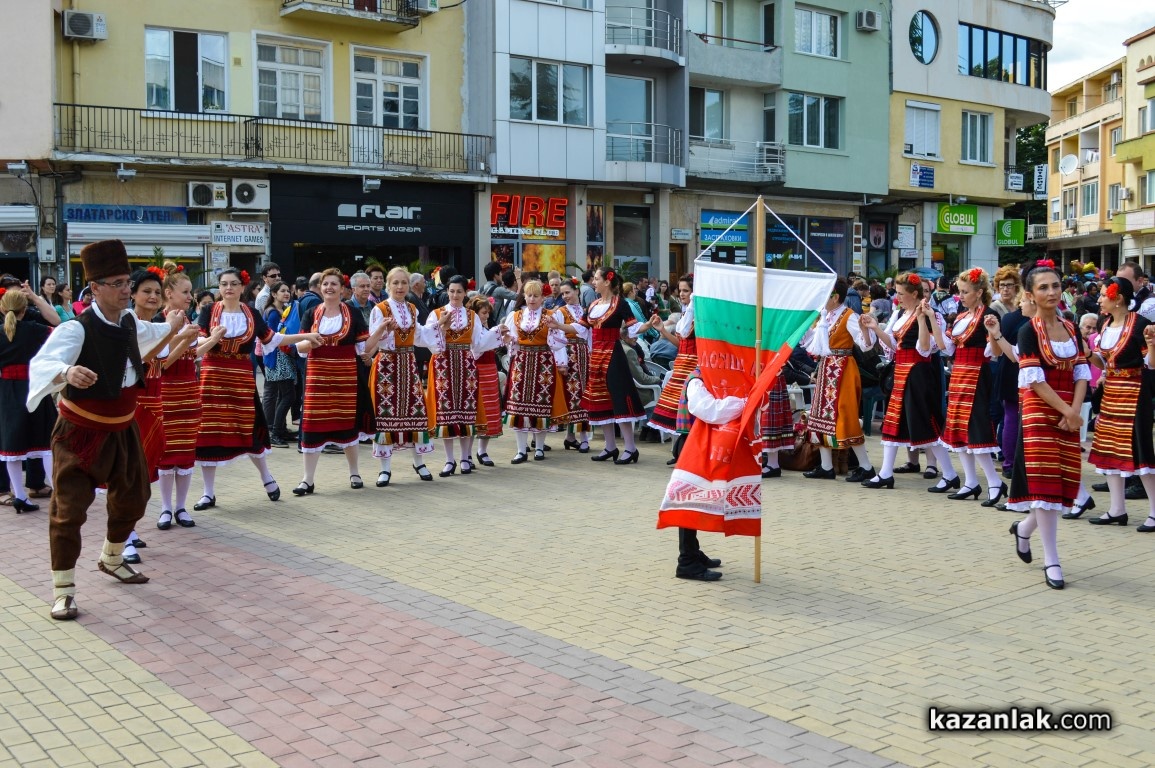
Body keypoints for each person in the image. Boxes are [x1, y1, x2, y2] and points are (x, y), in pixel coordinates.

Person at [27, 239, 186, 620]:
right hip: (78, 434)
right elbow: (42, 363)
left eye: (125, 282)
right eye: (116, 283)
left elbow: (148, 335)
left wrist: (172, 327)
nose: (125, 289)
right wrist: (67, 372)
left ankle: (112, 558)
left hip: (122, 430)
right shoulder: (76, 329)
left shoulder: (128, 321)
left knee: (134, 497)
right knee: (68, 511)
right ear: (95, 288)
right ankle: (63, 591)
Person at [193, 268, 320, 512]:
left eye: (233, 284)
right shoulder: (209, 310)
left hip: (241, 379)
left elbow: (272, 339)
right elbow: (196, 341)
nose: (228, 288)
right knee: (209, 433)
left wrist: (305, 336)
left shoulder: (251, 313)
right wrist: (212, 338)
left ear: (242, 287)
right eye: (224, 284)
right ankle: (208, 493)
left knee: (249, 429)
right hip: (213, 378)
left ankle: (266, 477)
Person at [1006, 261, 1090, 590]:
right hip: (1039, 411)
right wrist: (1067, 411)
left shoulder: (1071, 327)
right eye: (1043, 287)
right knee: (1045, 482)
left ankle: (1025, 528)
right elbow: (1035, 381)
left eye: (1055, 285)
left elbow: (1081, 371)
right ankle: (1051, 559)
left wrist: (1074, 411)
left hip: (1068, 408)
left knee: (1062, 480)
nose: (1051, 292)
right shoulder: (1028, 331)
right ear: (1030, 295)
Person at [292, 268, 386, 495]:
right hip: (317, 377)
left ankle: (354, 473)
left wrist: (381, 330)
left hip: (345, 377)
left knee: (347, 424)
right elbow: (300, 348)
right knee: (313, 424)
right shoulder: (311, 313)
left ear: (342, 289)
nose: (329, 288)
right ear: (320, 288)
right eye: (325, 284)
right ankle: (307, 479)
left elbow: (363, 347)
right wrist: (311, 343)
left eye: (334, 284)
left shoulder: (352, 313)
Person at [858, 273, 944, 489]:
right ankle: (886, 472)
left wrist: (924, 319)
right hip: (902, 371)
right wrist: (875, 327)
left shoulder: (926, 314)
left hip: (918, 372)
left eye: (901, 294)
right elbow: (895, 346)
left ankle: (948, 472)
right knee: (893, 422)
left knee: (925, 423)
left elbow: (926, 348)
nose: (897, 298)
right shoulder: (901, 313)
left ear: (914, 294)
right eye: (896, 293)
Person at [155, 265, 224, 530]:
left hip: (189, 390)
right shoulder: (160, 322)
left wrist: (212, 339)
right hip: (167, 391)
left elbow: (191, 355)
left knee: (185, 451)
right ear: (169, 293)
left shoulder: (185, 320)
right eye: (185, 292)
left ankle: (181, 507)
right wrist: (183, 339)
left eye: (189, 292)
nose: (190, 297)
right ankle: (165, 508)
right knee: (167, 452)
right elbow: (162, 363)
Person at [1083, 278, 1155, 530]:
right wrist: (1087, 353)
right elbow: (1104, 363)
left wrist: (1152, 345)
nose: (1100, 299)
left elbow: (1151, 364)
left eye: (1104, 295)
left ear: (1119, 298)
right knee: (1109, 449)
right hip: (1111, 393)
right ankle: (1117, 509)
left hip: (1134, 393)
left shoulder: (1140, 324)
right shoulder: (1105, 324)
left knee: (1140, 449)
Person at [930, 268, 1004, 505]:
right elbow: (945, 347)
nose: (960, 296)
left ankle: (994, 481)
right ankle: (971, 481)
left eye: (965, 292)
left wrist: (993, 332)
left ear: (979, 292)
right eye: (959, 291)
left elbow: (995, 352)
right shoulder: (961, 316)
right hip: (959, 375)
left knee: (976, 428)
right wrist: (931, 319)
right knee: (957, 428)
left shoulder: (989, 314)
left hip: (977, 374)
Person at [369, 267, 444, 486]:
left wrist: (439, 326)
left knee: (415, 411)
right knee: (385, 414)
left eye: (404, 283)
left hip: (408, 365)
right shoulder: (380, 309)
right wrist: (386, 331)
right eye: (396, 283)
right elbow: (373, 339)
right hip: (387, 365)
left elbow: (419, 335)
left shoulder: (412, 308)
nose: (400, 287)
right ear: (388, 286)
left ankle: (419, 462)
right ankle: (385, 468)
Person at [425, 274, 503, 476]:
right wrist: (440, 327)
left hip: (466, 365)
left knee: (467, 410)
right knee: (446, 411)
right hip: (443, 364)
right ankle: (449, 460)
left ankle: (465, 458)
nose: (455, 295)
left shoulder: (472, 316)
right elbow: (428, 338)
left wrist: (498, 333)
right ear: (447, 291)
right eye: (451, 291)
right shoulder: (437, 314)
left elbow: (479, 342)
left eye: (459, 291)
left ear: (465, 293)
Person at [578, 266, 659, 463]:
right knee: (601, 400)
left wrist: (648, 325)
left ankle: (630, 448)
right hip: (596, 356)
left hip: (614, 354)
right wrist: (556, 326)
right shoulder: (593, 304)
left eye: (596, 278)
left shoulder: (620, 303)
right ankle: (610, 447)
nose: (593, 282)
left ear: (607, 282)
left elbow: (633, 327)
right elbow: (579, 327)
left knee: (619, 399)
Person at [800, 277, 874, 482]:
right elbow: (811, 342)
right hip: (827, 368)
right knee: (820, 415)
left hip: (843, 369)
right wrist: (803, 324)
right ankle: (826, 466)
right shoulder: (825, 316)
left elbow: (865, 344)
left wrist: (865, 329)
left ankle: (866, 466)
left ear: (835, 297)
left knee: (846, 414)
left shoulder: (849, 316)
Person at [1, 289, 56, 513]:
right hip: (35, 388)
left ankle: (20, 496)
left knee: (11, 446)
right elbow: (59, 325)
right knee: (46, 444)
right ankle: (59, 495)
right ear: (25, 310)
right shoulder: (36, 329)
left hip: (7, 391)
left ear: (2, 309)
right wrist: (37, 299)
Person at [504, 280, 568, 463]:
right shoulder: (516, 315)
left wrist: (553, 329)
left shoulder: (550, 315)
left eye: (536, 296)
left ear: (542, 298)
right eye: (529, 295)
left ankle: (539, 448)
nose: (532, 299)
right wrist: (509, 339)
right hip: (522, 362)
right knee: (519, 406)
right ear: (524, 296)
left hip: (543, 362)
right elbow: (511, 340)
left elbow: (559, 342)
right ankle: (521, 450)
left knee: (542, 404)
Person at [647, 276, 697, 463]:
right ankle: (679, 452)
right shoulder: (686, 314)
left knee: (689, 410)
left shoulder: (700, 315)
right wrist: (663, 330)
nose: (682, 294)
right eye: (680, 290)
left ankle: (686, 454)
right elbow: (681, 344)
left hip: (693, 366)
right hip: (681, 364)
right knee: (677, 409)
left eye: (686, 291)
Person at [552, 279, 592, 453]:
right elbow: (557, 337)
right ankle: (580, 437)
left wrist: (592, 353)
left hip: (584, 355)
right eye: (563, 294)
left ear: (577, 291)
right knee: (572, 395)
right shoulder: (561, 312)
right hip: (569, 355)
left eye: (567, 292)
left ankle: (572, 436)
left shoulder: (586, 311)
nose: (565, 296)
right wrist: (561, 361)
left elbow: (590, 336)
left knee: (584, 395)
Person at [467, 296, 504, 466]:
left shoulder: (485, 327)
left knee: (490, 410)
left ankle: (482, 450)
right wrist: (495, 333)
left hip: (490, 371)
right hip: (477, 372)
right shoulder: (472, 329)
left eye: (487, 313)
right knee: (475, 411)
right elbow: (476, 350)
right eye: (483, 313)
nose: (486, 316)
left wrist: (502, 338)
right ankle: (467, 454)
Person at [262, 282, 298, 447]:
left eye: (288, 290)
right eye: (282, 291)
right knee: (287, 395)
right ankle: (276, 432)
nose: (286, 293)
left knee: (284, 395)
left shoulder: (282, 310)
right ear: (274, 294)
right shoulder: (273, 313)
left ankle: (280, 429)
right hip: (277, 357)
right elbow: (271, 338)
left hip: (281, 356)